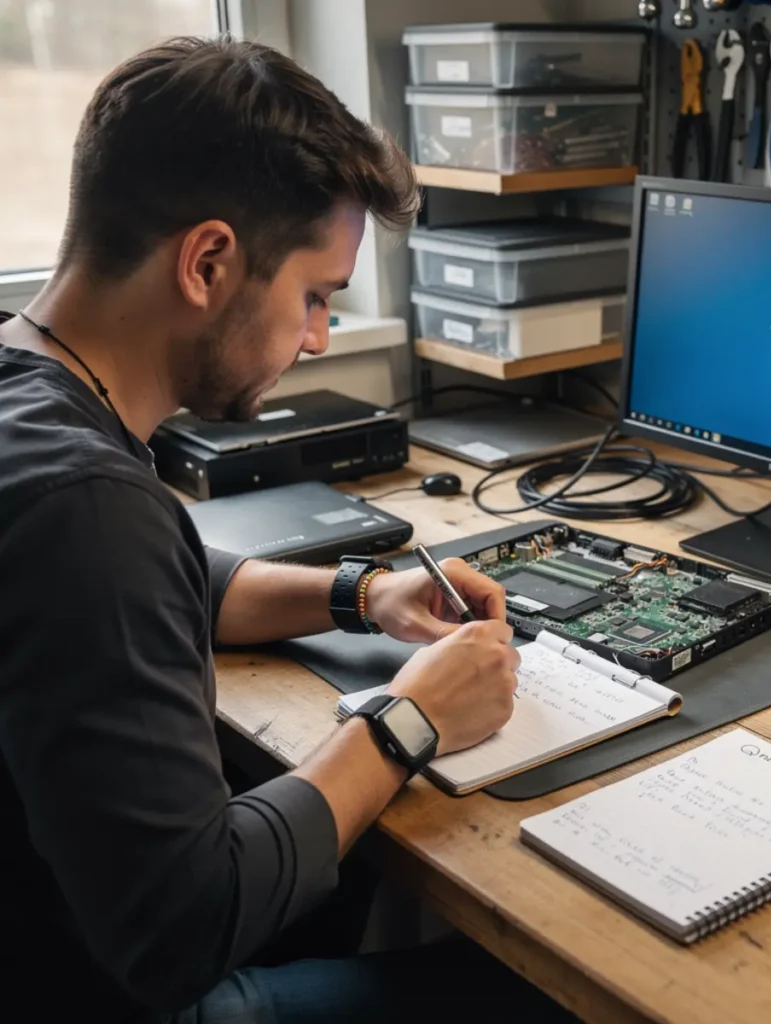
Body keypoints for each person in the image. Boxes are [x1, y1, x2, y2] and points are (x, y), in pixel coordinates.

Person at [0, 36, 577, 1024]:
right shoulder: (88, 511)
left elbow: (179, 581)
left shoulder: (30, 395)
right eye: (314, 297)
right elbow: (185, 927)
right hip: (116, 986)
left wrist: (366, 593)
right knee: (544, 988)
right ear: (208, 262)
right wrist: (409, 718)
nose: (316, 338)